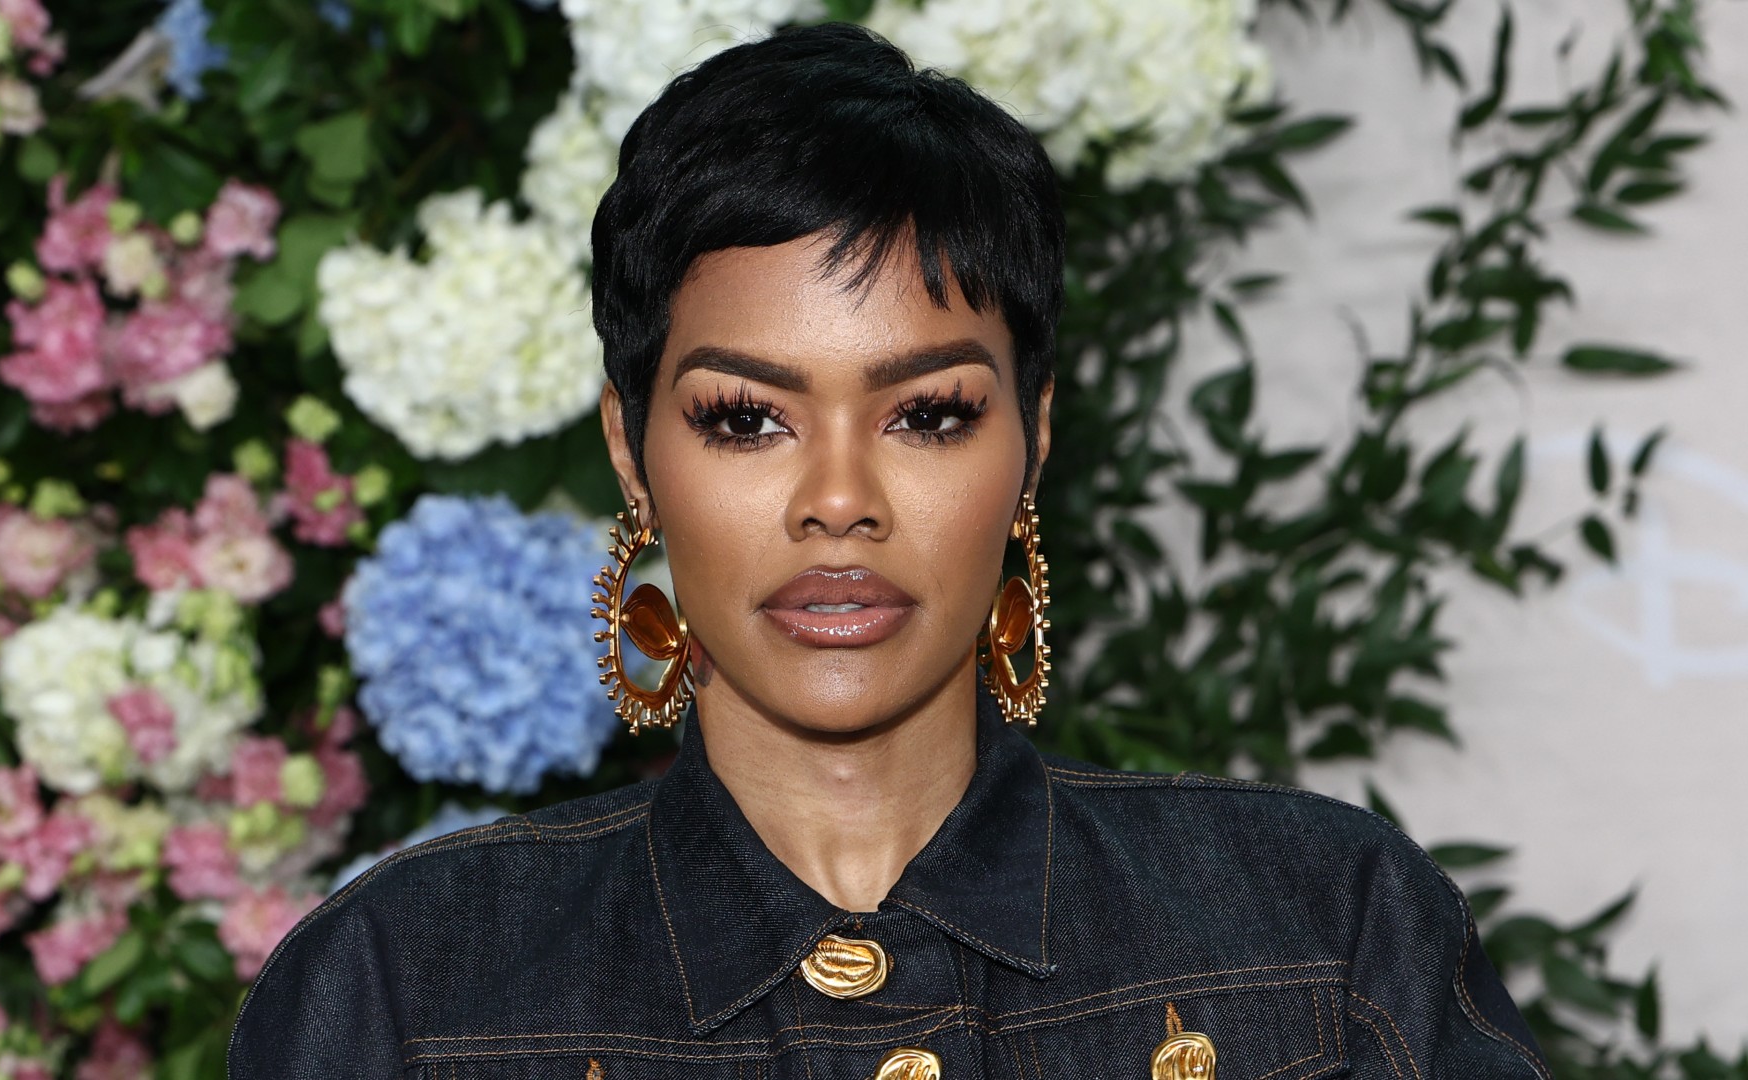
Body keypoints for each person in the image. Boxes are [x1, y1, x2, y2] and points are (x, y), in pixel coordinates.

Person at [228, 22, 1550, 1080]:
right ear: (632, 450)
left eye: (928, 415)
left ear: (1032, 438)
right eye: (746, 419)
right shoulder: (405, 990)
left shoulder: (1328, 934)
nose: (838, 501)